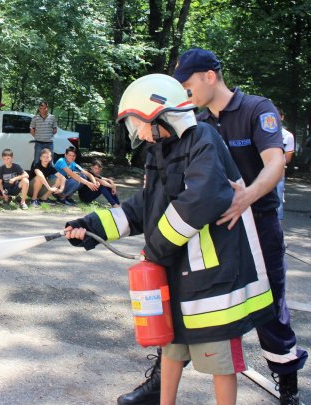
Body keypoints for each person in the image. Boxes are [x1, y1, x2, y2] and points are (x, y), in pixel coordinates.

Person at [66, 74, 275, 405]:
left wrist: (154, 249)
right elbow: (145, 207)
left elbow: (201, 199)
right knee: (172, 349)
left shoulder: (203, 139)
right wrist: (91, 226)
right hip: (178, 272)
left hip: (214, 278)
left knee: (220, 362)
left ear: (163, 114)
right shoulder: (160, 151)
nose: (139, 133)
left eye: (140, 124)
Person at [171, 48, 305, 405]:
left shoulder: (256, 109)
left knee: (270, 308)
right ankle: (161, 379)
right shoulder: (197, 121)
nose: (187, 93)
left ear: (209, 77)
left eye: (188, 85)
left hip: (259, 223)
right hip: (219, 229)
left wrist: (247, 197)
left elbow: (275, 164)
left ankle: (287, 384)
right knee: (191, 303)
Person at [276, 109, 295, 220]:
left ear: (282, 117)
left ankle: (277, 228)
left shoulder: (288, 136)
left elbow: (287, 159)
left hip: (278, 172)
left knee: (278, 200)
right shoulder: (257, 132)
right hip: (257, 170)